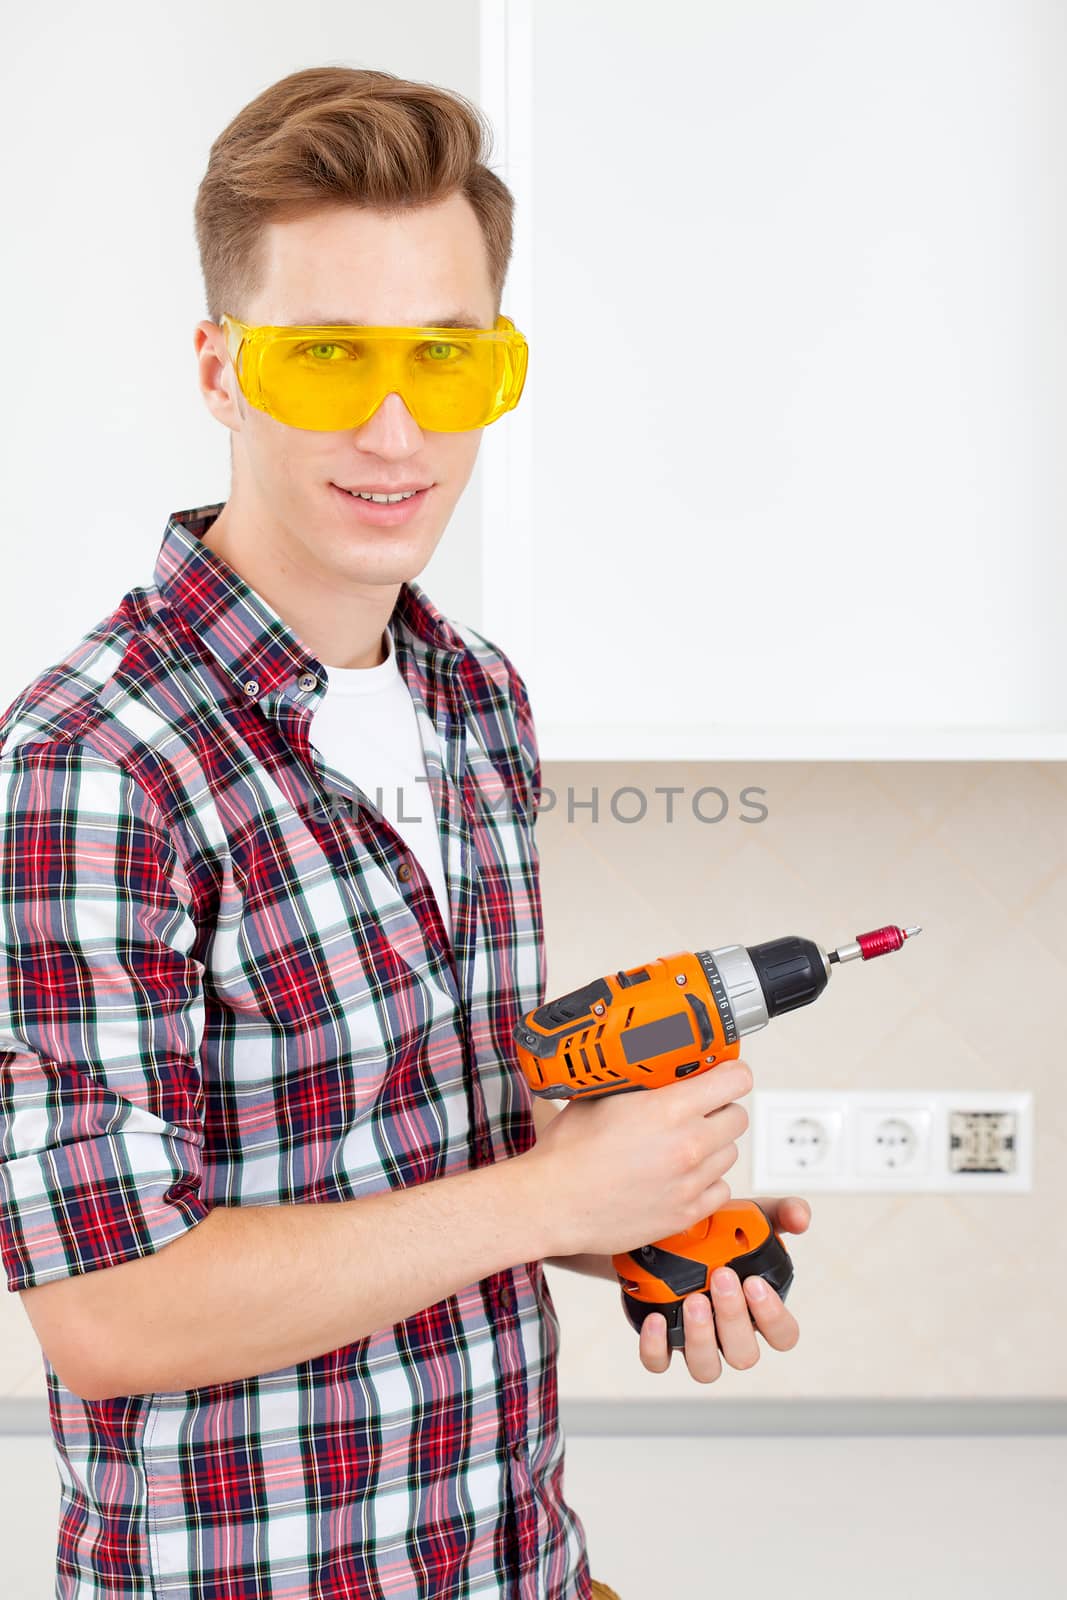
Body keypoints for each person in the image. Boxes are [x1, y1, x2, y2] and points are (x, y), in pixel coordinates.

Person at [0, 65, 807, 1599]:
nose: (393, 426)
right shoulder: (89, 765)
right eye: (325, 361)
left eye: (445, 359)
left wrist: (620, 1210)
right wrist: (545, 1199)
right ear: (221, 368)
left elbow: (427, 1160)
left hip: (519, 1560)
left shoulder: (472, 696)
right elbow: (109, 1311)